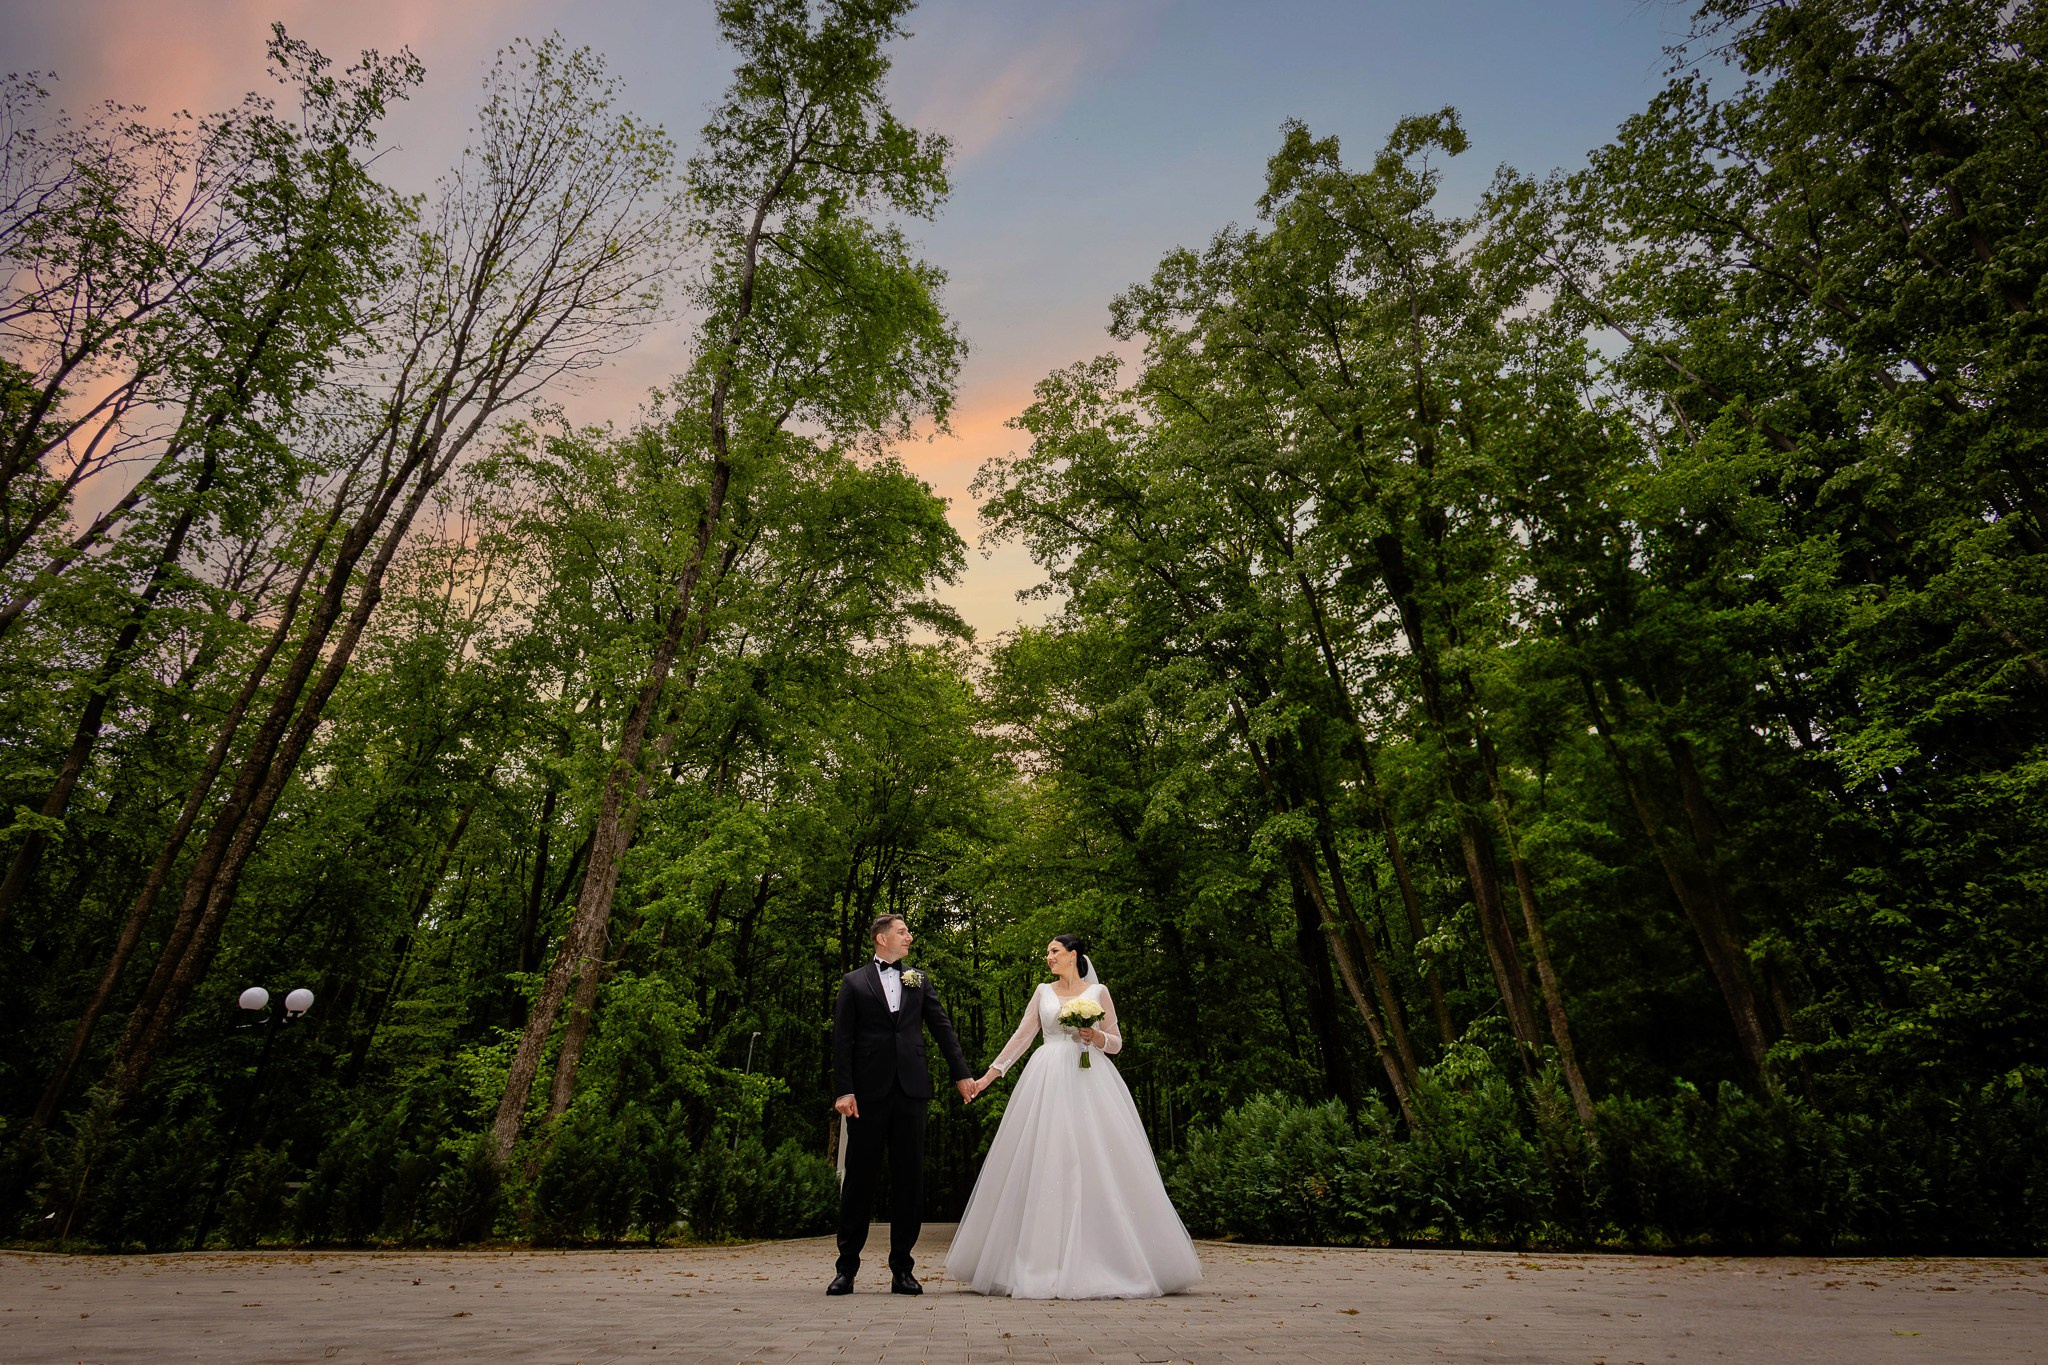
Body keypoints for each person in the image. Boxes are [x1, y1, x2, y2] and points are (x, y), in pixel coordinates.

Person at [947, 934, 1203, 1298]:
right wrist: (988, 1077)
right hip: (1047, 1077)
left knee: (1096, 1160)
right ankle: (1038, 1261)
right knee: (1048, 1160)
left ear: (1073, 955)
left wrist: (1095, 1036)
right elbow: (1022, 1037)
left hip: (1090, 1079)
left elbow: (1116, 1042)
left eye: (1054, 951)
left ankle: (1110, 1259)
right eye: (1047, 952)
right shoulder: (1043, 992)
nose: (1048, 957)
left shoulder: (1098, 992)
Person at [827, 912, 977, 1296]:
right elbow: (842, 1041)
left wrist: (961, 1075)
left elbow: (942, 1028)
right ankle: (846, 1269)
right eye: (902, 931)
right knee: (859, 1179)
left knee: (910, 1180)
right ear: (881, 939)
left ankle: (902, 1269)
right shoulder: (853, 982)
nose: (909, 936)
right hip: (866, 1095)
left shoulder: (919, 980)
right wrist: (845, 1090)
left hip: (912, 1091)